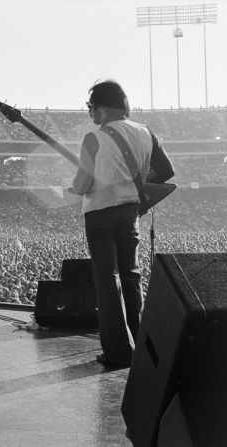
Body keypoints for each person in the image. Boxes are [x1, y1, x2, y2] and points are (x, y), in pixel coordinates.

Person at [69, 80, 174, 367]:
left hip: (100, 213)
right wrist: (135, 182)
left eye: (91, 107)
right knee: (131, 275)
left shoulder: (94, 137)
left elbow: (84, 182)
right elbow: (166, 171)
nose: (90, 113)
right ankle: (139, 342)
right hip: (130, 212)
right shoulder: (145, 132)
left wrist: (71, 189)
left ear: (102, 108)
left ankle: (117, 351)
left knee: (107, 280)